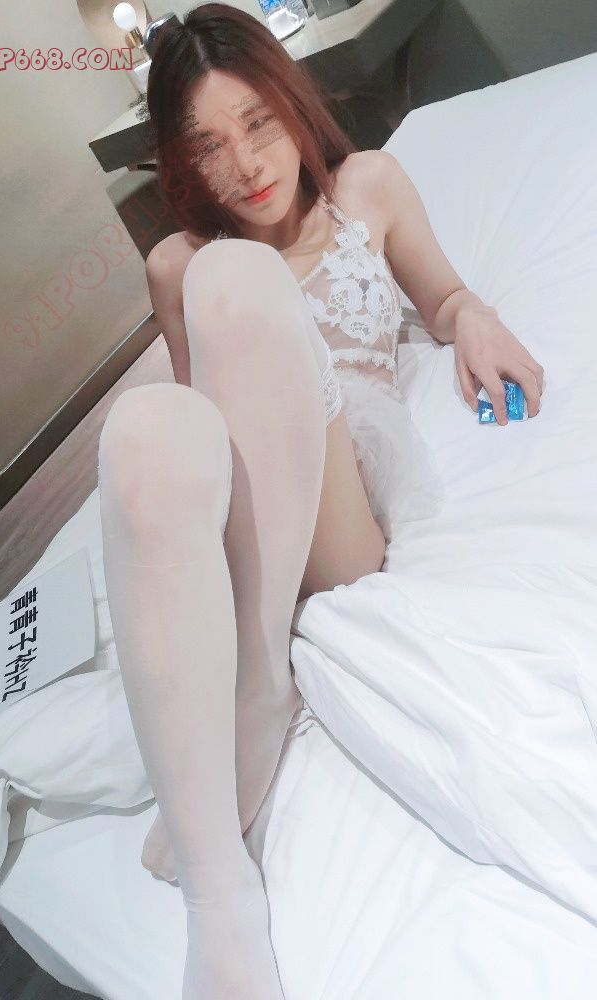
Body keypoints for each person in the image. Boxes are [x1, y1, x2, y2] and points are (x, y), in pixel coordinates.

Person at [97, 5, 545, 997]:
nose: (245, 164)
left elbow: (441, 296)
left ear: (290, 102)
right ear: (178, 162)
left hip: (339, 507)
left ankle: (256, 687)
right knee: (143, 425)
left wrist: (471, 318)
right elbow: (203, 418)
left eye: (257, 122)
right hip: (247, 512)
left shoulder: (366, 188)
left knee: (232, 271)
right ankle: (218, 890)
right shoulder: (176, 264)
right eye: (206, 146)